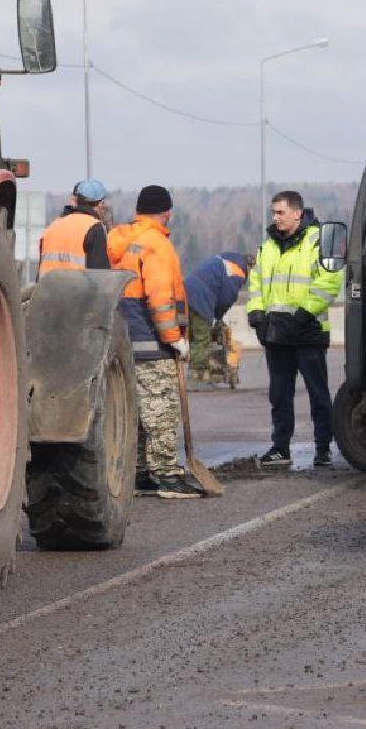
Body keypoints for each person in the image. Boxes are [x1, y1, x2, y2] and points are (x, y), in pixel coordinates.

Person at [108, 185, 200, 497]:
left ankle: (140, 473)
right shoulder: (156, 244)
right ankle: (167, 476)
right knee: (161, 410)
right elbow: (160, 298)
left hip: (124, 342)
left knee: (135, 411)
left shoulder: (119, 240)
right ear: (167, 212)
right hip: (152, 344)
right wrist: (175, 339)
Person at [247, 190, 342, 468]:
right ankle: (280, 448)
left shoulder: (318, 241)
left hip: (308, 331)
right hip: (277, 334)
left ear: (297, 213)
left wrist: (304, 314)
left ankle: (323, 448)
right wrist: (256, 314)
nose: (275, 218)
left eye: (281, 212)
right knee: (279, 395)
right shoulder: (268, 246)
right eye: (273, 213)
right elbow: (256, 283)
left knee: (317, 394)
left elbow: (330, 282)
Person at [183, 252, 250, 382]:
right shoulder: (237, 271)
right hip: (200, 299)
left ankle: (194, 373)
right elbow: (226, 298)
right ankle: (196, 377)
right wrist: (217, 316)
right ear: (248, 266)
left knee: (190, 336)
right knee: (202, 339)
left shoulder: (221, 260)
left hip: (185, 292)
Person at [39, 179, 112, 274]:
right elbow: (99, 274)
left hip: (47, 283)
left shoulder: (53, 226)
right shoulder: (95, 227)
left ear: (76, 201)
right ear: (101, 203)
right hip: (76, 284)